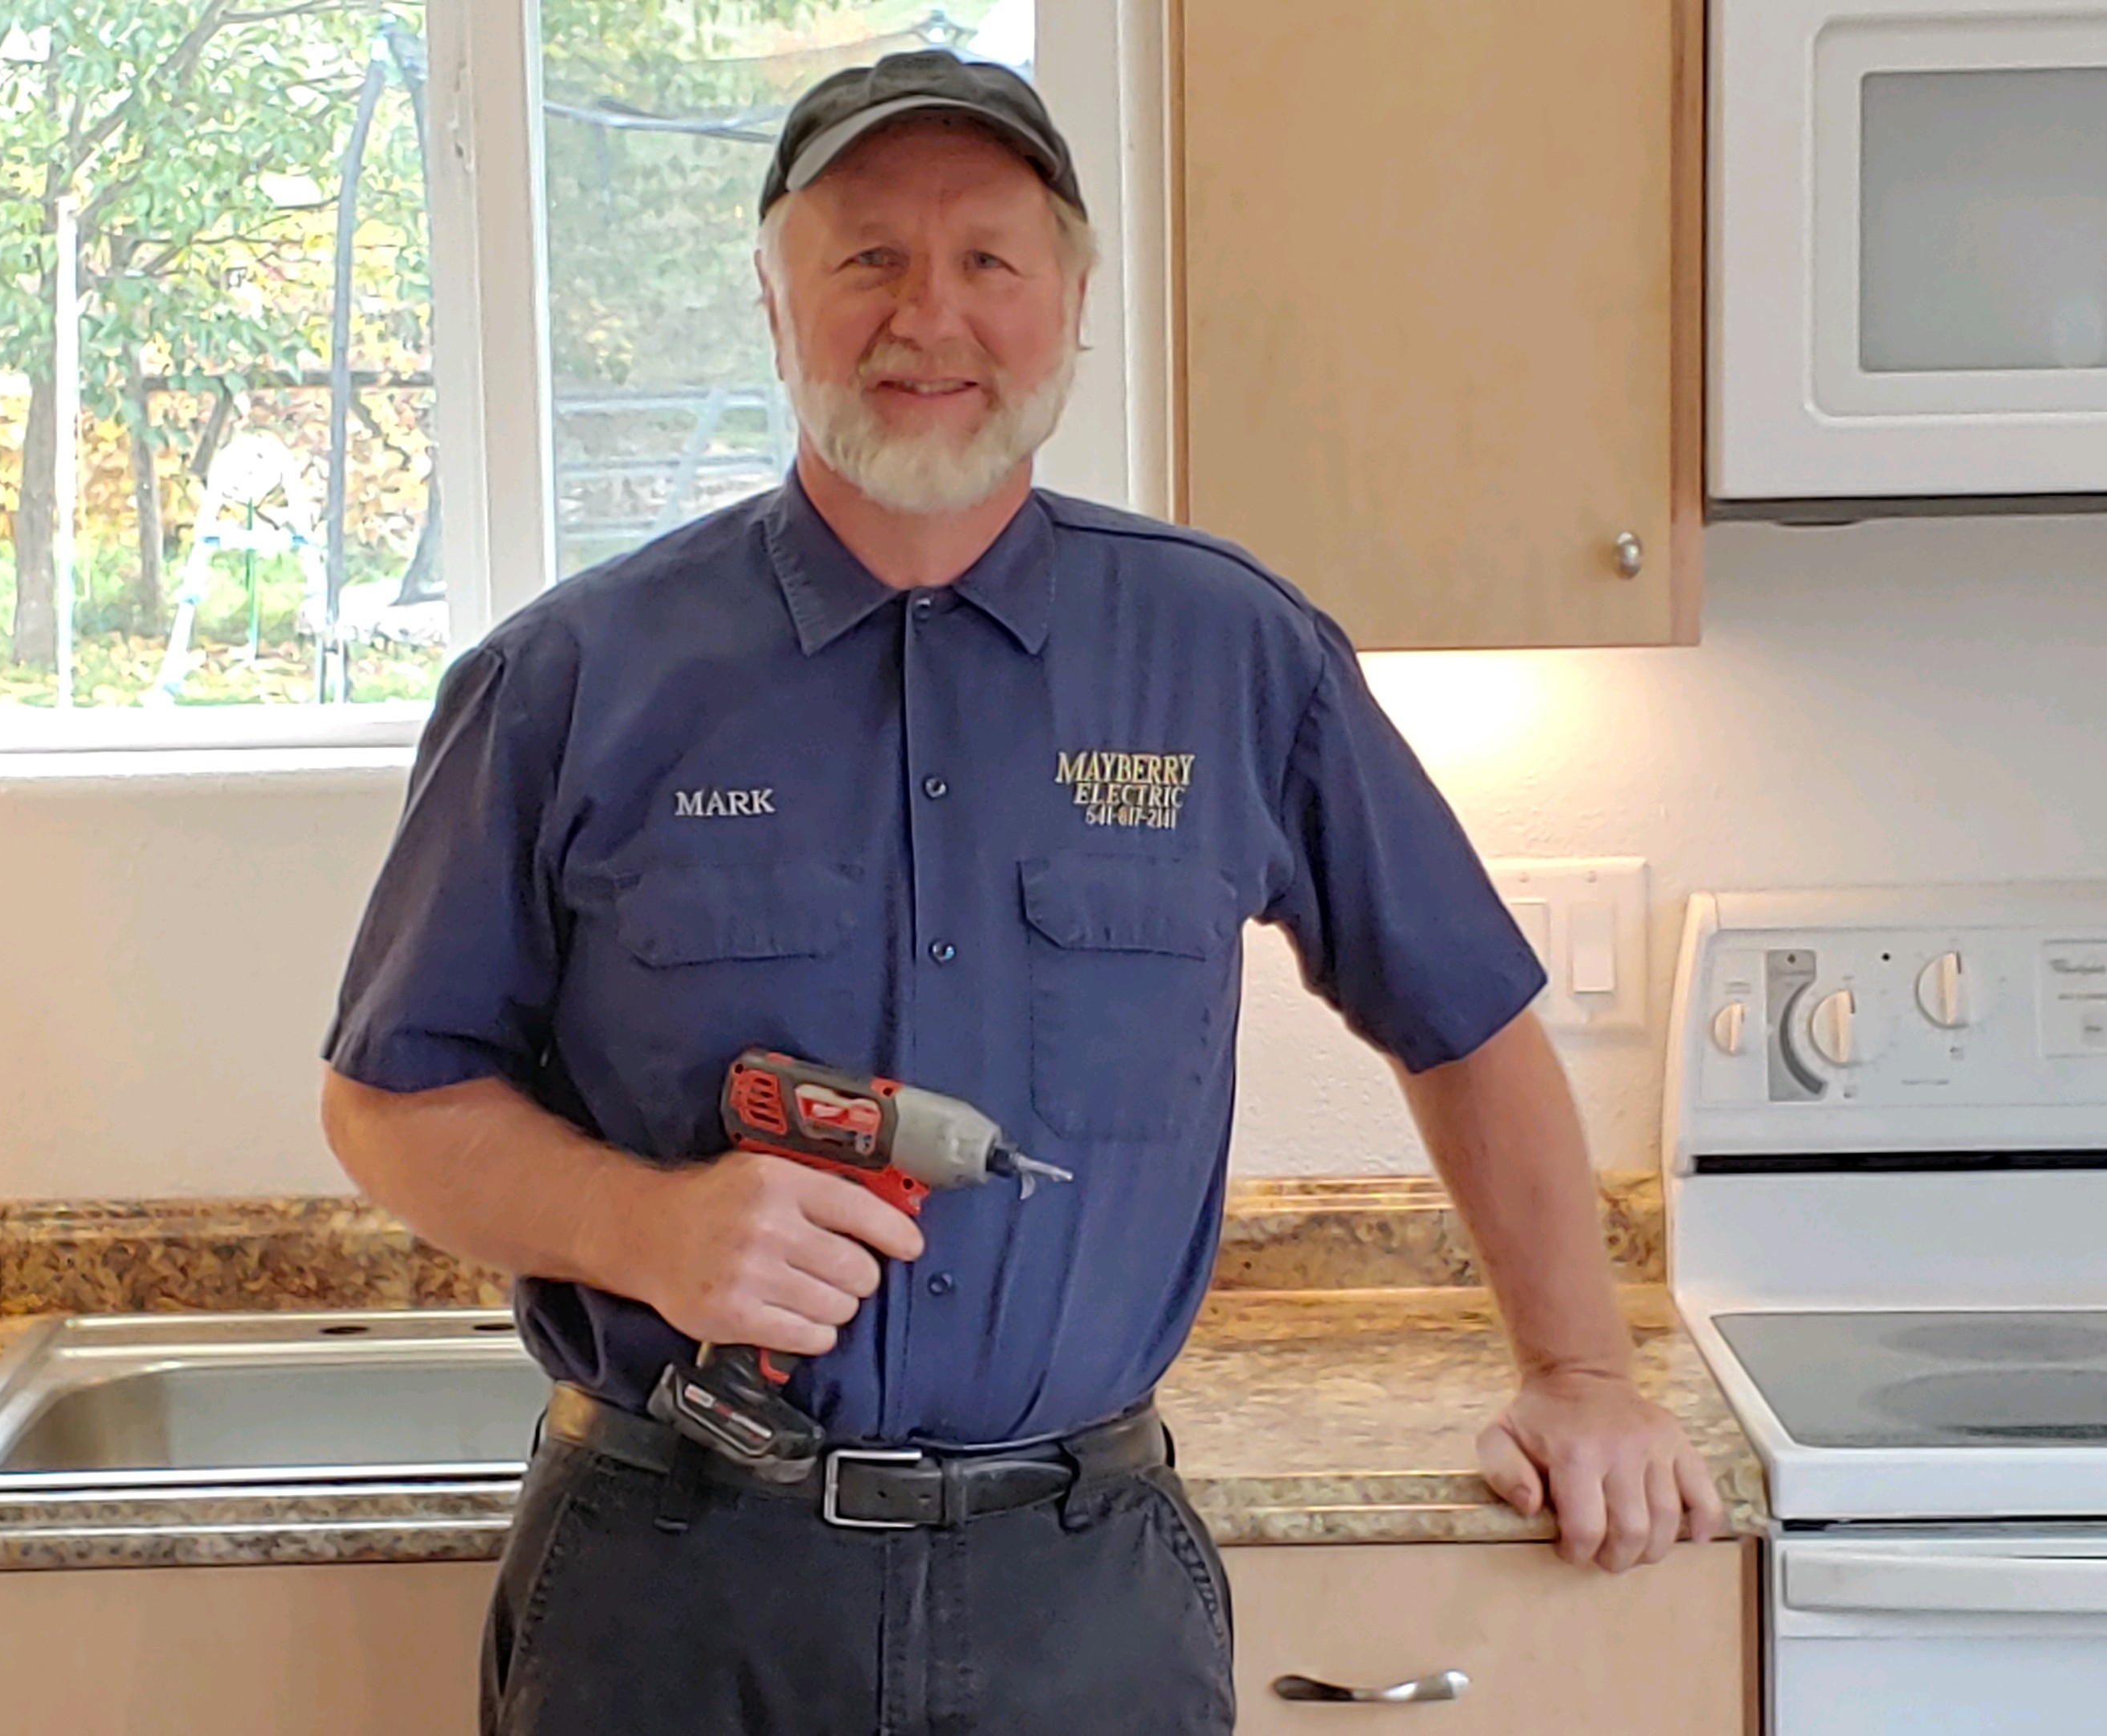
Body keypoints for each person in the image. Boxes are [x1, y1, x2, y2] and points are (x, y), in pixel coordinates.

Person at [320, 49, 1723, 1736]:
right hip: (674, 1589)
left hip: (1078, 1595)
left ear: (1068, 302)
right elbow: (387, 1101)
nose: (931, 315)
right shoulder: (569, 678)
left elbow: (1464, 1017)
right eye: (865, 259)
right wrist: (648, 1228)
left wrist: (1578, 1378)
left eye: (987, 258)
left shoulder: (1229, 654)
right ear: (774, 303)